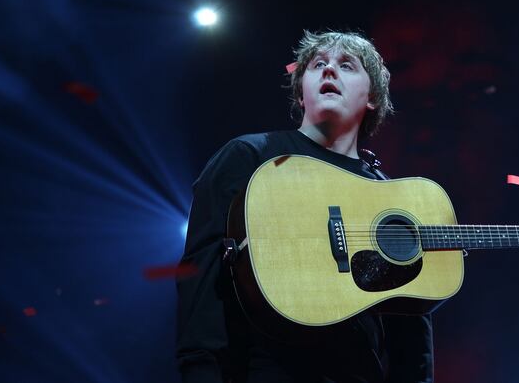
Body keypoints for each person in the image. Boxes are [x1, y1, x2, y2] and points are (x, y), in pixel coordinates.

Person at [176, 31, 434, 383]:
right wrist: (201, 371)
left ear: (372, 96)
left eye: (346, 65)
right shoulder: (250, 156)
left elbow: (409, 324)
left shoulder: (388, 193)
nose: (329, 71)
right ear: (301, 91)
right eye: (318, 65)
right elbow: (202, 274)